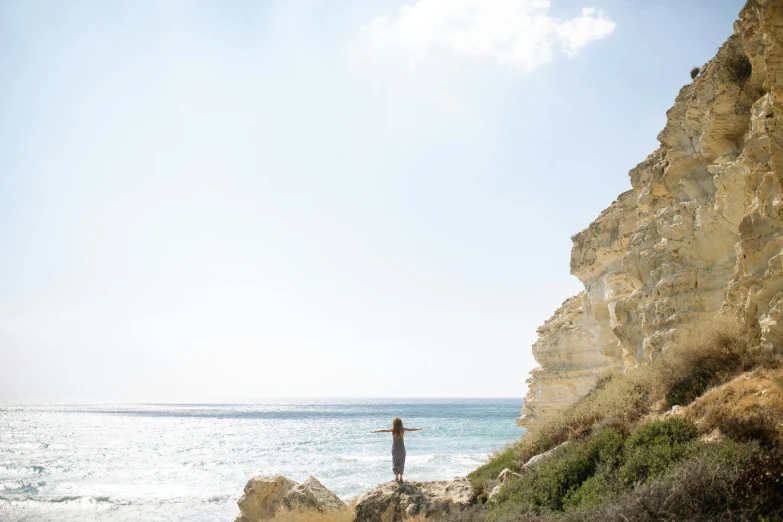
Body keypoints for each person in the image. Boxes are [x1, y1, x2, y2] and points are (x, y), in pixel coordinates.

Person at [371, 417, 424, 483]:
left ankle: (396, 477)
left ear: (394, 423)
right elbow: (411, 429)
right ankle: (401, 478)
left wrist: (376, 431)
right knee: (402, 461)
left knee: (395, 462)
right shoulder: (402, 430)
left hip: (395, 448)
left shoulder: (393, 430)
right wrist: (419, 429)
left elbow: (383, 430)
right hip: (402, 448)